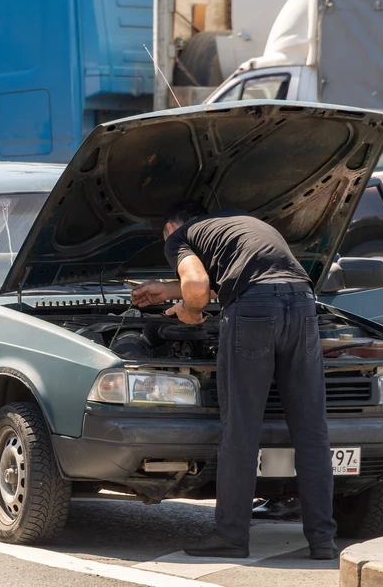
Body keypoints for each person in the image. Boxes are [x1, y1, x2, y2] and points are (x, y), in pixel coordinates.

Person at [131, 199, 337, 561]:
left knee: (241, 430)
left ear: (171, 228)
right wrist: (167, 290)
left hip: (255, 314)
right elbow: (228, 276)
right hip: (302, 306)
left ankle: (231, 537)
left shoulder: (178, 237)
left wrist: (190, 312)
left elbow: (197, 284)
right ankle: (322, 540)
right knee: (311, 431)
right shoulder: (241, 224)